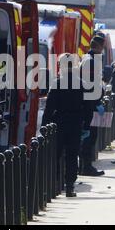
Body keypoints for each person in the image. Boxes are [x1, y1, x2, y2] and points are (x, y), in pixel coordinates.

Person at [42, 54, 89, 197]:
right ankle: (69, 187)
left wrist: (44, 125)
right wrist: (86, 125)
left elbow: (49, 107)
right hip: (75, 123)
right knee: (72, 155)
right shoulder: (81, 83)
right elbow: (87, 107)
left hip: (59, 122)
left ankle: (55, 185)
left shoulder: (57, 83)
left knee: (55, 155)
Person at [79, 36, 106, 177]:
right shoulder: (90, 62)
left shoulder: (88, 59)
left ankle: (84, 165)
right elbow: (89, 87)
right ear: (100, 47)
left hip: (90, 104)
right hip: (89, 106)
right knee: (90, 137)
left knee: (89, 136)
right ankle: (86, 167)